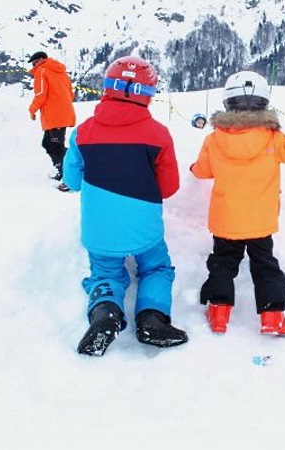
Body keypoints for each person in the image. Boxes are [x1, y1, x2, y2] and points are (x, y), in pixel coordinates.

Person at [63, 56, 188, 356]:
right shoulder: (158, 134)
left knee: (105, 274)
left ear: (108, 87)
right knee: (156, 267)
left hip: (99, 232)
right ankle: (151, 317)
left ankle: (106, 313)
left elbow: (73, 180)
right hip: (145, 229)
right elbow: (169, 188)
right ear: (148, 93)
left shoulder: (82, 132)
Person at [190, 70, 285, 336]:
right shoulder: (272, 138)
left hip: (225, 220)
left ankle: (218, 313)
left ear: (228, 101)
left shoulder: (214, 139)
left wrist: (193, 168)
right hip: (260, 221)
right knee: (265, 265)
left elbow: (203, 172)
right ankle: (273, 317)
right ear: (264, 102)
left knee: (222, 263)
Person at [27, 51, 76, 184]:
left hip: (55, 116)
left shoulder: (42, 71)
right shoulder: (61, 72)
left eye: (34, 62)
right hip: (63, 114)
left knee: (54, 146)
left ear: (42, 59)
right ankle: (66, 169)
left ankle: (67, 174)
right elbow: (70, 94)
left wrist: (32, 109)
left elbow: (41, 94)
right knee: (50, 144)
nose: (34, 65)